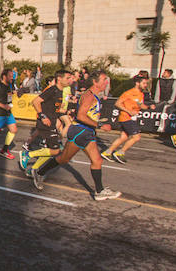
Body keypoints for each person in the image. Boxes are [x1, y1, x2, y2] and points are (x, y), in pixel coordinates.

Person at [30, 70, 122, 201]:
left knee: (97, 160)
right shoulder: (89, 95)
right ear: (95, 82)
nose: (106, 82)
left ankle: (99, 191)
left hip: (86, 132)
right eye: (103, 80)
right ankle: (39, 172)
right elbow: (81, 116)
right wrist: (99, 126)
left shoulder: (93, 95)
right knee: (63, 159)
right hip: (80, 132)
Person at [19, 70, 71, 173]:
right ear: (59, 79)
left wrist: (67, 112)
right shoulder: (52, 90)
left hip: (51, 122)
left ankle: (33, 169)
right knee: (56, 150)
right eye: (67, 78)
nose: (70, 80)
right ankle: (28, 155)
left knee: (53, 151)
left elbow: (54, 108)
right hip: (45, 122)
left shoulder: (60, 91)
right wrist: (43, 117)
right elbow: (35, 102)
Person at [102, 75, 152, 164]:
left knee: (123, 137)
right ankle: (120, 153)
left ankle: (107, 152)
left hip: (131, 118)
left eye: (146, 83)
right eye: (144, 83)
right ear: (137, 83)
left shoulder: (141, 94)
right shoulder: (129, 93)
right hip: (126, 117)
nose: (145, 85)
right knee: (136, 137)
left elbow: (141, 105)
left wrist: (149, 107)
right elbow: (117, 103)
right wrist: (129, 111)